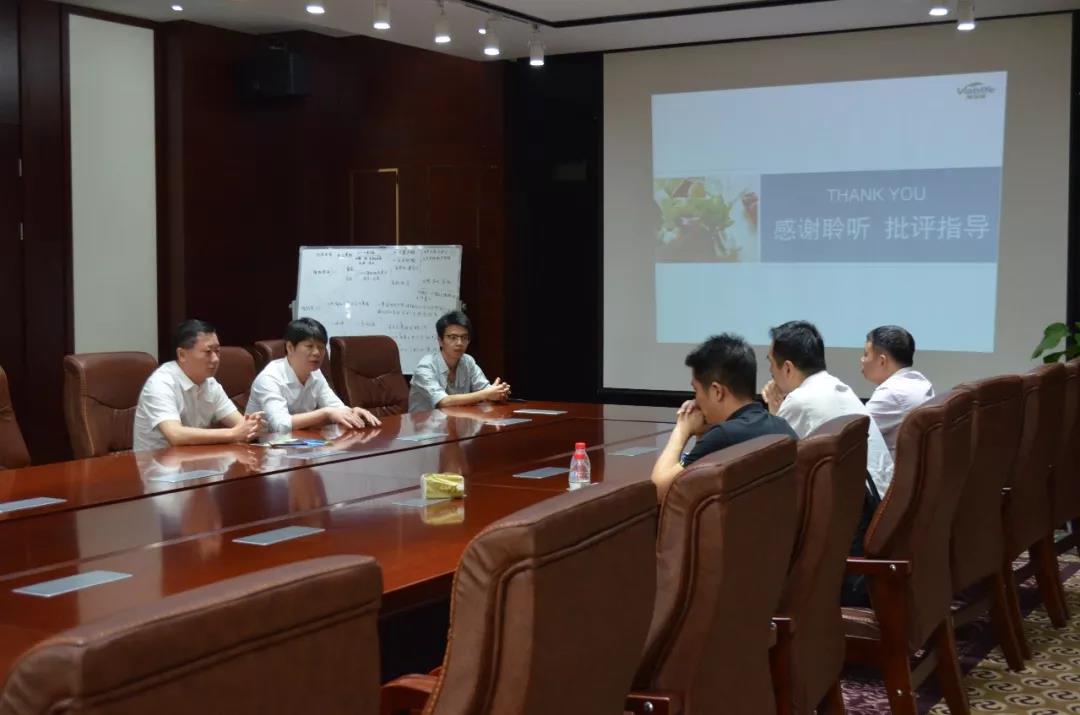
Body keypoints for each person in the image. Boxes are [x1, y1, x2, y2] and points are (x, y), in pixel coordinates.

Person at [761, 320, 894, 606]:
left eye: (771, 363)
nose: (769, 371)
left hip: (857, 529)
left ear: (787, 368)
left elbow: (775, 469)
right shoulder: (837, 387)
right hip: (880, 517)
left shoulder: (800, 400)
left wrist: (774, 414)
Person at [651, 333, 797, 499]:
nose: (695, 400)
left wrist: (682, 430)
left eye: (696, 390)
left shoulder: (723, 436)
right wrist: (702, 433)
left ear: (717, 391)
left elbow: (658, 489)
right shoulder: (782, 426)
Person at [133, 319, 265, 451]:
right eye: (208, 352)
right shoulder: (161, 383)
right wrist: (233, 433)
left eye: (217, 351)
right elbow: (175, 434)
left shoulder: (210, 383)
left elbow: (240, 424)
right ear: (182, 354)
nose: (215, 359)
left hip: (196, 459)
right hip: (157, 461)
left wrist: (253, 426)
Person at [246, 317, 381, 433]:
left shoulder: (315, 373)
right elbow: (281, 425)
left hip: (297, 443)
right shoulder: (270, 378)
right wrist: (325, 413)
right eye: (309, 346)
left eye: (321, 347)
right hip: (258, 446)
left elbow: (335, 408)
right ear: (290, 348)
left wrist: (352, 412)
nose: (317, 353)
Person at [408, 310, 510, 412]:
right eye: (453, 337)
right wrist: (486, 394)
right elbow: (443, 402)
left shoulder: (468, 362)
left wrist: (499, 392)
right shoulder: (426, 366)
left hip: (455, 419)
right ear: (440, 341)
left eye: (464, 337)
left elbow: (487, 390)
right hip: (426, 421)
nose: (459, 343)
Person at [860, 325, 935, 458]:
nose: (862, 360)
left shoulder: (890, 393)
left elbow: (851, 436)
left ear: (882, 361)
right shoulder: (921, 382)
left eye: (866, 354)